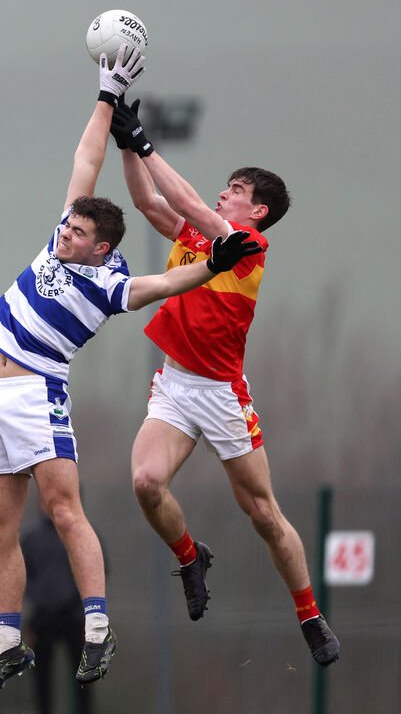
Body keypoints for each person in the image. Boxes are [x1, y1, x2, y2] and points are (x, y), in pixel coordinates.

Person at [0, 45, 265, 698]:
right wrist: (105, 95)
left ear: (101, 247)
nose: (64, 230)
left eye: (76, 229)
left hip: (37, 395)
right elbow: (86, 160)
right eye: (67, 225)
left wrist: (214, 263)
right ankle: (6, 644)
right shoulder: (60, 241)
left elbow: (165, 281)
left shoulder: (109, 284)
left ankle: (98, 628)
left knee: (63, 511)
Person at [110, 97, 340, 666]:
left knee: (262, 511)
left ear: (257, 211)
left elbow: (195, 208)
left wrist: (143, 141)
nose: (224, 192)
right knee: (145, 482)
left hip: (220, 393)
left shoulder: (248, 245)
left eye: (236, 188)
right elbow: (147, 200)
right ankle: (191, 558)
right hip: (175, 384)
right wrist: (123, 141)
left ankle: (310, 615)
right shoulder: (198, 232)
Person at [20, 497, 107, 714]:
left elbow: (99, 569)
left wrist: (79, 600)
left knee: (84, 672)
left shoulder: (85, 533)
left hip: (75, 616)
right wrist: (38, 597)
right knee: (41, 675)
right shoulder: (30, 539)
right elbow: (19, 576)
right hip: (41, 617)